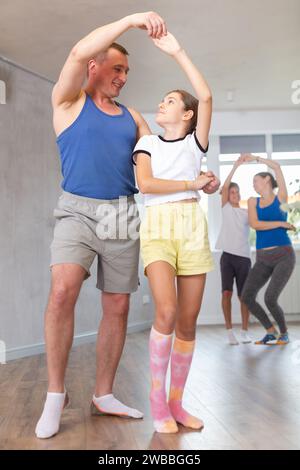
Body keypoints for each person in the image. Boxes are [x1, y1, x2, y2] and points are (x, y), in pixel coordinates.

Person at [35, 11, 169, 439]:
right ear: (94, 66)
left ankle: (104, 393)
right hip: (76, 209)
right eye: (117, 68)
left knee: (117, 305)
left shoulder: (133, 118)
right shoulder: (67, 102)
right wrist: (131, 20)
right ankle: (56, 394)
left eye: (127, 71)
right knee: (62, 291)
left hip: (120, 211)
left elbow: (155, 160)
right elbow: (77, 50)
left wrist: (192, 173)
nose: (123, 77)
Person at [133, 32, 220, 433]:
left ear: (186, 114)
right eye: (164, 99)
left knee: (188, 321)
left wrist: (177, 51)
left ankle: (176, 403)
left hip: (192, 228)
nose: (163, 103)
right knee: (165, 311)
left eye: (171, 100)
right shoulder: (147, 142)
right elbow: (147, 186)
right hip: (159, 227)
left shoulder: (194, 145)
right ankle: (156, 400)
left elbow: (205, 96)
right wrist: (192, 184)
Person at [241, 154, 296, 345]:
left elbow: (278, 168)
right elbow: (255, 224)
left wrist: (256, 158)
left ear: (266, 180)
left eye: (255, 180)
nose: (253, 184)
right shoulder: (252, 201)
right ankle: (270, 331)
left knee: (270, 297)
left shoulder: (280, 197)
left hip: (284, 255)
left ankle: (284, 333)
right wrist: (281, 222)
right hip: (263, 257)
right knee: (247, 296)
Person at [216, 156, 252, 345]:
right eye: (231, 192)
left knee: (244, 296)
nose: (235, 194)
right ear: (227, 196)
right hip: (227, 257)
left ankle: (245, 331)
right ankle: (230, 331)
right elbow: (227, 184)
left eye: (237, 192)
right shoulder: (226, 208)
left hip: (244, 258)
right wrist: (236, 166)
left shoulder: (247, 213)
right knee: (227, 294)